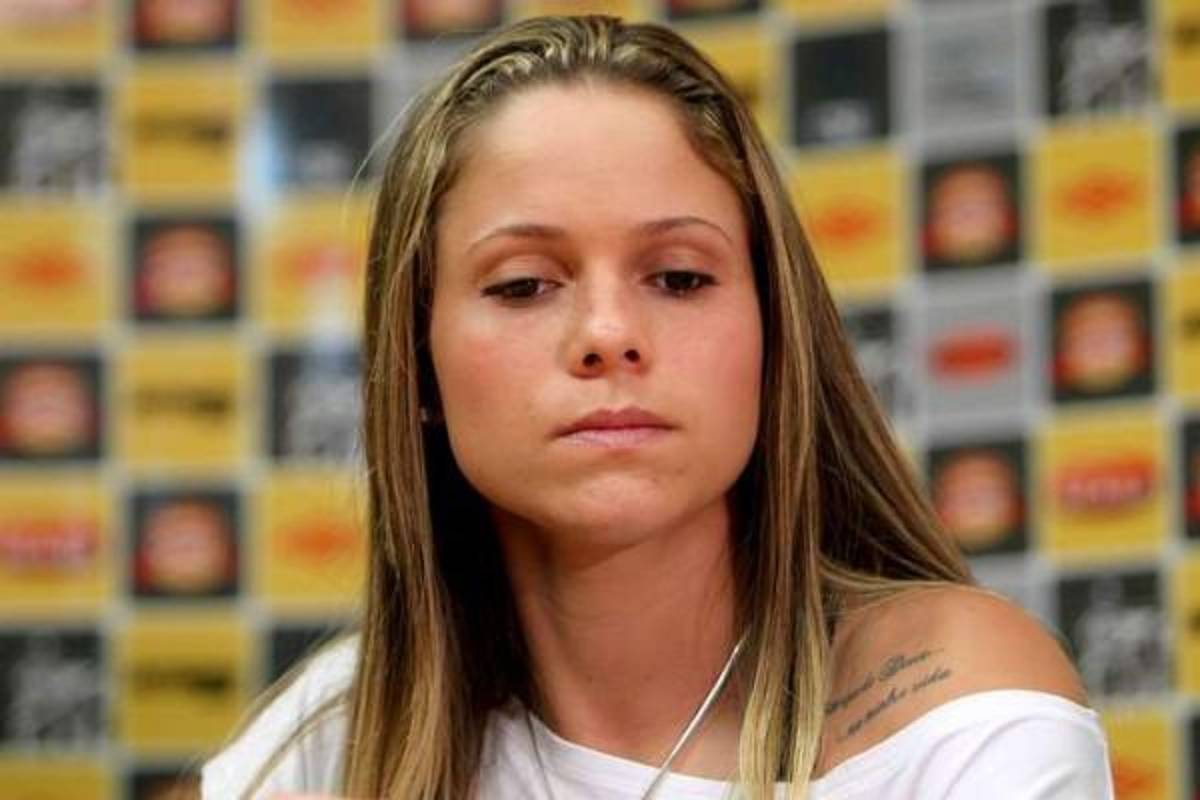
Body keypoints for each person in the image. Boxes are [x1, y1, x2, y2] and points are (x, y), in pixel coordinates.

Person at [202, 15, 1114, 800]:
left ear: (773, 334)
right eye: (523, 285)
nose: (608, 334)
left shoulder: (954, 705)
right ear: (419, 366)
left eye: (679, 277)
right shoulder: (335, 739)